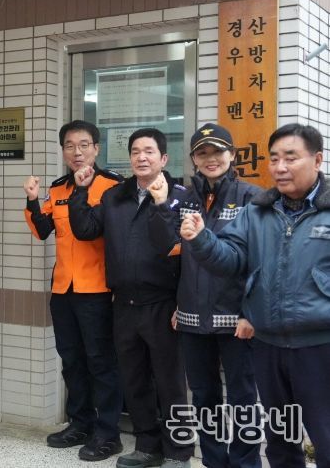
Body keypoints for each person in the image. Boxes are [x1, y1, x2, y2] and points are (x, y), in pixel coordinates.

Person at [181, 123, 330, 468]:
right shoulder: (258, 211)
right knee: (281, 439)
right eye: (274, 159)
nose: (280, 167)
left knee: (325, 434)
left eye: (290, 157)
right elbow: (232, 259)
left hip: (319, 345)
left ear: (317, 160)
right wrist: (202, 240)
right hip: (269, 345)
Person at [68, 128, 193, 468]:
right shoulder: (115, 197)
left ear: (163, 158)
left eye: (149, 151)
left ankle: (178, 452)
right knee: (134, 380)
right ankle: (147, 446)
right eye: (136, 151)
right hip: (124, 304)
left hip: (164, 305)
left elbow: (189, 255)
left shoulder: (181, 196)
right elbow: (85, 230)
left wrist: (183, 303)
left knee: (170, 383)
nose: (141, 157)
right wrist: (80, 191)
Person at [147, 123, 262, 468]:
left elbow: (261, 262)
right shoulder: (186, 199)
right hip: (193, 317)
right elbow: (172, 251)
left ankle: (244, 463)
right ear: (194, 159)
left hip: (236, 319)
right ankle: (213, 461)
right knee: (204, 398)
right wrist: (160, 204)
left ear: (232, 154)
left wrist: (251, 312)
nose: (210, 158)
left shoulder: (252, 198)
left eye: (217, 151)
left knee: (242, 398)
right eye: (202, 152)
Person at [23, 120, 124, 461]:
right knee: (72, 360)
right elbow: (42, 230)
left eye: (84, 145)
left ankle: (108, 433)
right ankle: (80, 423)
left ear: (96, 148)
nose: (77, 152)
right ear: (63, 150)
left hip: (98, 289)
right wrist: (33, 200)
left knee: (101, 362)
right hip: (63, 289)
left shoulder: (113, 187)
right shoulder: (59, 188)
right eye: (69, 145)